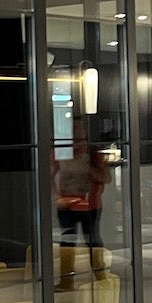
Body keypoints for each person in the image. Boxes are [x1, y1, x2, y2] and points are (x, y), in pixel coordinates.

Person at [52, 122, 111, 291]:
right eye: (73, 131)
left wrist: (88, 168)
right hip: (67, 205)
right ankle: (66, 281)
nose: (76, 136)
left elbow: (106, 178)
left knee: (92, 240)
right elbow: (49, 175)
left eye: (79, 131)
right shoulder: (60, 151)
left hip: (90, 205)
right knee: (67, 243)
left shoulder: (93, 153)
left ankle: (101, 278)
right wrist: (57, 198)